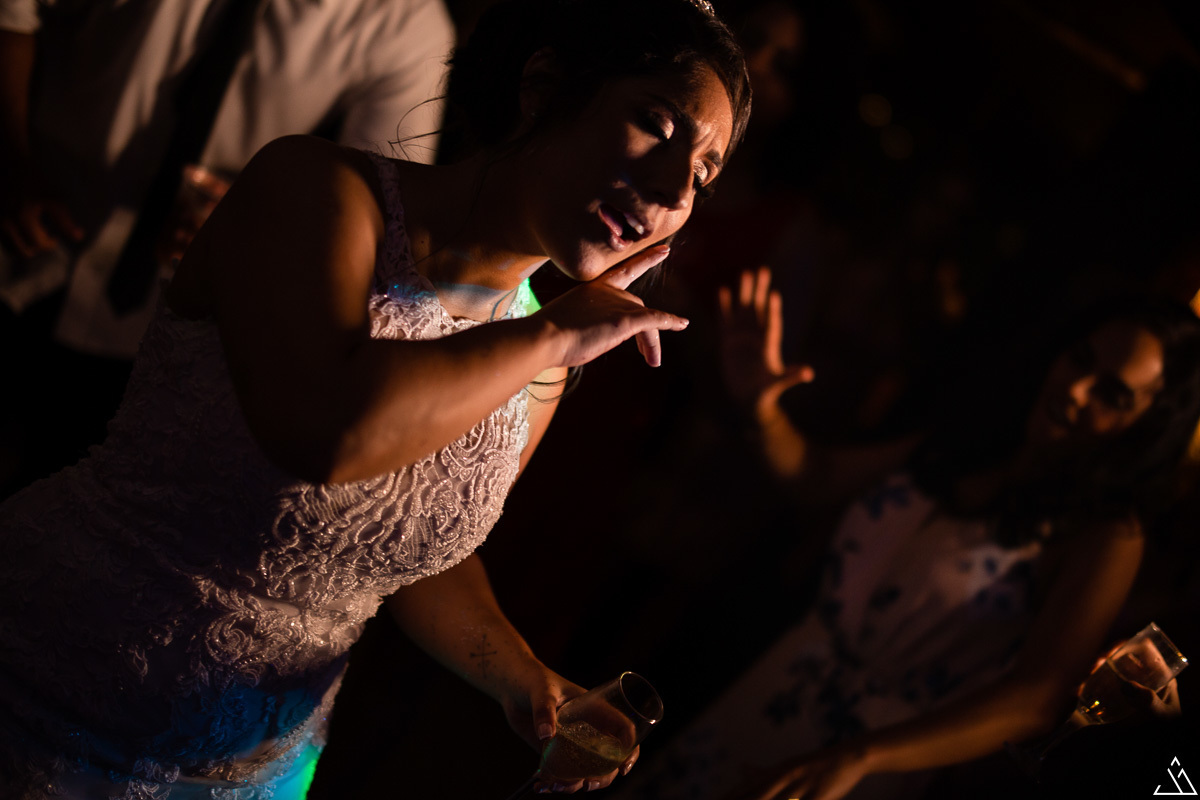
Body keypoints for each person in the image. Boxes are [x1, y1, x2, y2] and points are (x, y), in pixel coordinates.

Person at [0, 0, 752, 797]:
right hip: (48, 691)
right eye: (656, 125)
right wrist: (549, 337)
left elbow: (404, 547)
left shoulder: (546, 345)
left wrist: (522, 676)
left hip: (247, 771)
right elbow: (327, 435)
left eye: (704, 175)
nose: (674, 188)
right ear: (543, 88)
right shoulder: (317, 189)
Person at [612, 267, 1200, 800]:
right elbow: (816, 478)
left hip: (875, 760)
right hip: (769, 689)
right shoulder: (976, 444)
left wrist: (860, 756)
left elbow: (1037, 697)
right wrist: (761, 408)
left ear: (1146, 428)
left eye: (1112, 395)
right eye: (1080, 359)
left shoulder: (1107, 534)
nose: (1075, 389)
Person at [0, 0, 455, 493]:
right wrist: (9, 152)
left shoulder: (407, 24)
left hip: (156, 329)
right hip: (18, 234)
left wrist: (254, 219)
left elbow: (379, 204)